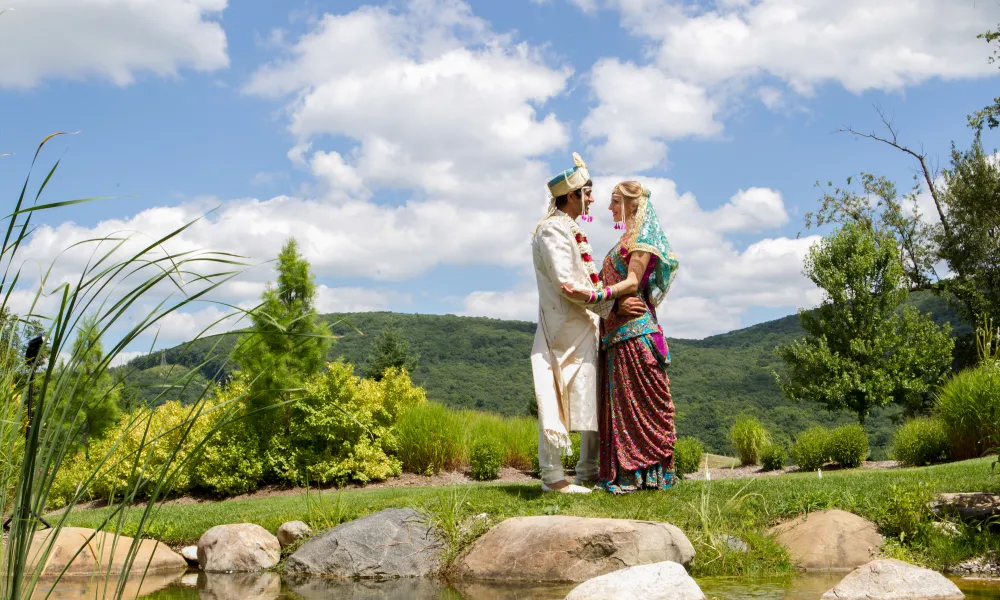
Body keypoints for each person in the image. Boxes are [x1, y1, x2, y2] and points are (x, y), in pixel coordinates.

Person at [531, 154, 646, 494]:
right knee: (555, 395)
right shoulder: (552, 228)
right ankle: (553, 479)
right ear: (571, 196)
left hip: (583, 327)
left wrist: (608, 303)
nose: (592, 199)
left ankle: (587, 473)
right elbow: (567, 285)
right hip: (563, 329)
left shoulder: (569, 228)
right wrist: (613, 301)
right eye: (588, 192)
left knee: (591, 398)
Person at [561, 181, 680, 494]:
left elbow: (632, 282)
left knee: (640, 407)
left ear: (631, 203)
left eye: (615, 202)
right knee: (622, 407)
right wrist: (606, 301)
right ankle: (625, 475)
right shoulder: (623, 240)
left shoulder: (640, 240)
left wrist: (596, 295)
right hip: (616, 334)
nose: (610, 207)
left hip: (635, 331)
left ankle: (646, 475)